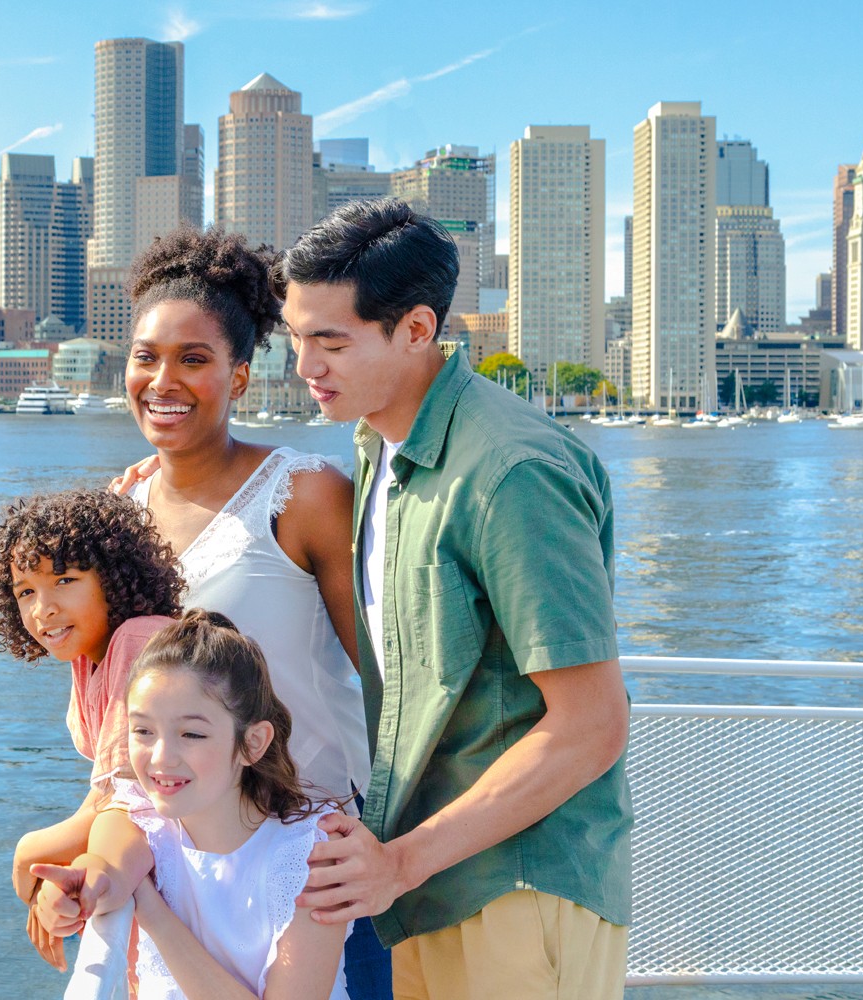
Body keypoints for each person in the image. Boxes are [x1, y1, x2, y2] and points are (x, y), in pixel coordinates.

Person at [277, 198, 633, 999]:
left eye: (331, 342)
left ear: (416, 330)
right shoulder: (379, 444)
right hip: (425, 884)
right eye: (297, 337)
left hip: (515, 888)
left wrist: (398, 862)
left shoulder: (512, 472)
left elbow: (591, 727)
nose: (305, 366)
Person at [112, 226, 391, 994]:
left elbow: (382, 677)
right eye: (145, 356)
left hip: (315, 863)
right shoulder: (121, 507)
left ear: (238, 377)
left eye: (193, 360)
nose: (163, 380)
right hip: (182, 856)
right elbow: (109, 701)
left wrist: (393, 836)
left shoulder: (305, 495)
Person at [32, 609, 350, 999]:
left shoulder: (314, 859)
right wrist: (69, 894)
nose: (162, 757)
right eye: (143, 730)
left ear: (253, 742)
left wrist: (152, 911)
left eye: (192, 733)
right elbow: (103, 871)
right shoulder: (141, 816)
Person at [0, 488, 185, 971]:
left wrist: (29, 854)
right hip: (150, 857)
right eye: (25, 591)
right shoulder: (90, 655)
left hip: (187, 865)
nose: (42, 609)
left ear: (113, 578)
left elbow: (125, 799)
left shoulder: (138, 639)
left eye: (64, 580)